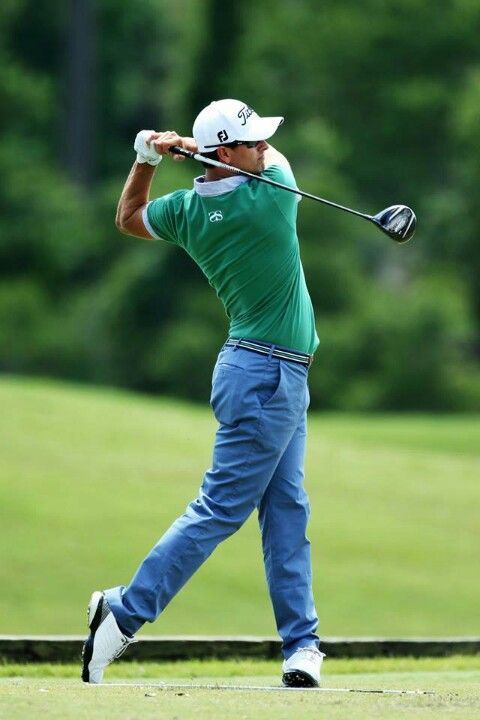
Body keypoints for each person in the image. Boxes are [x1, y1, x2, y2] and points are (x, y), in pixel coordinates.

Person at [82, 98, 324, 687]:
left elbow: (129, 217)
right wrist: (197, 151)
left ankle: (301, 646)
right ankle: (125, 611)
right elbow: (276, 164)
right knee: (220, 510)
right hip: (267, 376)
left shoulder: (188, 210)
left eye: (264, 141)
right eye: (253, 142)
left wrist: (147, 156)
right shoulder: (272, 195)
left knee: (287, 509)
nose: (265, 148)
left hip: (264, 373)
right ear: (227, 155)